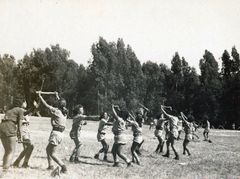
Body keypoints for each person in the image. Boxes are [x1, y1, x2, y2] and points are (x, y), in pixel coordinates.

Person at [37, 91, 68, 174]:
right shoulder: (65, 111)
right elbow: (61, 103)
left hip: (56, 133)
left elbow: (46, 105)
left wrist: (40, 96)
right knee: (48, 149)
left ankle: (63, 167)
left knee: (52, 153)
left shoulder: (56, 111)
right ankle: (50, 166)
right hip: (60, 134)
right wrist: (57, 95)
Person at [0, 98, 26, 173]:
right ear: (21, 103)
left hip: (2, 126)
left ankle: (4, 168)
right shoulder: (20, 110)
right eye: (24, 102)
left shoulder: (10, 109)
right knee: (11, 150)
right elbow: (20, 125)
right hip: (10, 126)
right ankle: (5, 171)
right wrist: (20, 136)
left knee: (7, 151)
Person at [13, 102, 38, 168]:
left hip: (26, 130)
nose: (25, 103)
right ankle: (24, 163)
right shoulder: (20, 112)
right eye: (23, 102)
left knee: (27, 148)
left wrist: (36, 105)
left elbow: (32, 111)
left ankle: (18, 162)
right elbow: (19, 125)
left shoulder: (25, 112)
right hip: (22, 130)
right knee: (30, 147)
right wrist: (19, 135)